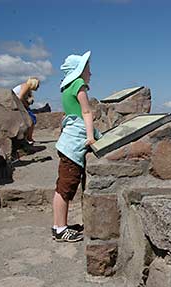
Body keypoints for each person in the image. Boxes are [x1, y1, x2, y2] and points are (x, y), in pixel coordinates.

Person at [52, 50, 101, 242]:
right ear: (79, 71)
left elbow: (69, 114)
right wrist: (90, 137)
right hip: (73, 147)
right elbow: (86, 112)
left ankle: (58, 225)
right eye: (87, 68)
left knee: (60, 188)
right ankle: (61, 229)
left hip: (66, 144)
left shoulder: (66, 88)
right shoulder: (79, 84)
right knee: (66, 188)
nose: (90, 73)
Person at [13, 77, 39, 144]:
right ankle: (29, 138)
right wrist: (26, 105)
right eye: (37, 85)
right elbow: (20, 97)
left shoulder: (28, 89)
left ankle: (28, 137)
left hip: (18, 104)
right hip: (16, 104)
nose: (38, 87)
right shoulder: (26, 86)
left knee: (32, 119)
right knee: (32, 119)